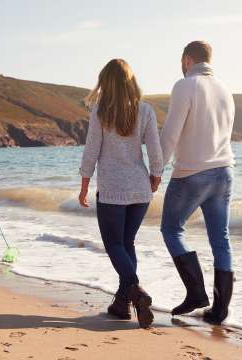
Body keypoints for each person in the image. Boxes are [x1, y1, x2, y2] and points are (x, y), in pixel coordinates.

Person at [79, 59, 163, 329]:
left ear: (106, 83)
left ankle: (135, 291)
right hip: (139, 190)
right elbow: (155, 150)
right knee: (127, 245)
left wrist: (84, 185)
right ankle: (122, 305)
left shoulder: (101, 111)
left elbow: (91, 150)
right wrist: (156, 176)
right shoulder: (146, 110)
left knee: (115, 245)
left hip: (113, 190)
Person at [160, 41, 235, 325]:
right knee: (221, 239)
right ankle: (219, 311)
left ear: (187, 59)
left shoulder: (185, 85)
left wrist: (156, 170)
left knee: (171, 228)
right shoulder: (225, 89)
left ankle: (196, 293)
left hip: (192, 172)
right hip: (225, 171)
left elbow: (170, 135)